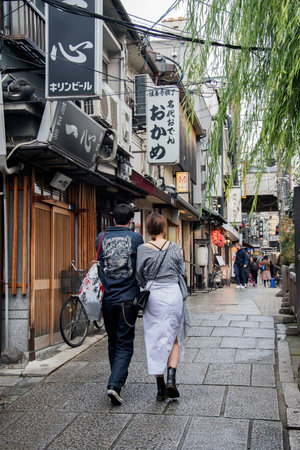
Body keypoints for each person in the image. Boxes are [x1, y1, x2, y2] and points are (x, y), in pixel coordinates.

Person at [136, 212, 190, 401]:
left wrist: (149, 282)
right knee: (174, 336)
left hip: (154, 295)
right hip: (173, 293)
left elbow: (139, 275)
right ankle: (172, 379)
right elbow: (181, 271)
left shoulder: (143, 249)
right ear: (164, 229)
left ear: (149, 229)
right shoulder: (174, 247)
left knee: (154, 339)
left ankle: (160, 388)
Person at [95, 203, 143, 406]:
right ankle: (114, 384)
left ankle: (117, 380)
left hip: (108, 298)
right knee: (124, 343)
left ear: (113, 219)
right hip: (128, 299)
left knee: (112, 340)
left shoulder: (101, 238)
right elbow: (141, 267)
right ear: (131, 221)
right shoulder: (136, 238)